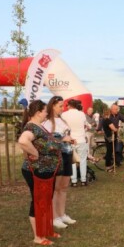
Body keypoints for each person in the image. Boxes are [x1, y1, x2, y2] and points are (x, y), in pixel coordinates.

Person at [18, 100, 67, 245]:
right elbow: (22, 141)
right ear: (38, 113)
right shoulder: (31, 127)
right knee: (39, 202)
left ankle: (46, 230)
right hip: (36, 171)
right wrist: (35, 153)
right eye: (45, 111)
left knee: (46, 201)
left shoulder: (39, 126)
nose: (47, 113)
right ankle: (38, 237)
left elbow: (49, 141)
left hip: (46, 172)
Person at [42, 96, 76, 229]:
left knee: (63, 187)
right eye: (60, 106)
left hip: (67, 154)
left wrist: (70, 139)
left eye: (63, 106)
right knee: (55, 188)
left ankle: (62, 214)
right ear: (53, 106)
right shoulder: (48, 122)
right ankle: (54, 216)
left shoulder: (62, 120)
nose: (63, 108)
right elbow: (47, 142)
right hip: (57, 157)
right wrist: (63, 139)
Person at [61, 99, 88, 187]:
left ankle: (74, 181)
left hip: (70, 140)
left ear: (69, 105)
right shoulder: (81, 114)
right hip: (81, 139)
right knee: (83, 160)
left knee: (72, 161)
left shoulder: (64, 114)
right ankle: (83, 180)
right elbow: (85, 124)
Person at [101, 104, 124, 170]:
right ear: (112, 109)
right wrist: (98, 129)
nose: (117, 110)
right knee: (110, 150)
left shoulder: (118, 114)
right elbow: (102, 122)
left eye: (117, 109)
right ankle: (109, 162)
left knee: (117, 147)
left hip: (115, 134)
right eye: (116, 109)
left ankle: (117, 161)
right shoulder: (107, 116)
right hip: (109, 135)